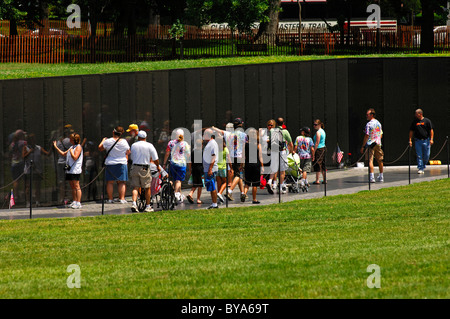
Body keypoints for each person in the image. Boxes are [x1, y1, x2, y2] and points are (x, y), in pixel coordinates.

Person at [212, 118, 247, 201]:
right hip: (239, 157)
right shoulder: (243, 135)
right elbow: (243, 149)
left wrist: (213, 128)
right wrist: (243, 160)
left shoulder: (228, 134)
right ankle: (229, 191)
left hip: (231, 157)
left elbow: (220, 131)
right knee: (238, 175)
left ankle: (242, 193)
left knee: (237, 175)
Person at [129, 130, 160, 213]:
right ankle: (148, 206)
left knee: (135, 187)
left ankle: (134, 203)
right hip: (144, 168)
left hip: (134, 167)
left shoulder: (133, 145)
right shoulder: (149, 145)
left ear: (138, 137)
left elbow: (131, 157)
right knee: (147, 187)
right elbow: (155, 159)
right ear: (145, 137)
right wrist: (157, 166)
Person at [98, 126, 131, 203]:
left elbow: (100, 148)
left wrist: (103, 140)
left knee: (110, 182)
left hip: (110, 163)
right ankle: (122, 198)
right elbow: (128, 152)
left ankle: (110, 198)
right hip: (122, 163)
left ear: (113, 132)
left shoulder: (108, 141)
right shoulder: (124, 141)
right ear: (121, 134)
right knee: (122, 182)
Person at [53, 133, 84, 209]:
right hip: (70, 170)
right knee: (72, 186)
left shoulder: (78, 147)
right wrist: (55, 147)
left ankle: (78, 202)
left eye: (70, 139)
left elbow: (75, 157)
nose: (69, 140)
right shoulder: (72, 147)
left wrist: (71, 152)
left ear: (74, 140)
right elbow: (63, 154)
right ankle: (74, 201)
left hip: (75, 170)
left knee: (76, 186)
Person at [23, 133, 50, 207]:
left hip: (37, 170)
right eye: (31, 139)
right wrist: (30, 151)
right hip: (28, 170)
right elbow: (23, 156)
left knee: (37, 186)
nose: (33, 141)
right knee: (28, 186)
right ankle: (28, 202)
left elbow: (47, 154)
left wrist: (52, 148)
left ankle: (37, 201)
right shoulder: (26, 148)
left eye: (34, 139)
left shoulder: (38, 148)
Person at [163, 129, 191, 203]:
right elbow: (188, 155)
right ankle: (176, 194)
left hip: (173, 164)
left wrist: (164, 163)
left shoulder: (171, 143)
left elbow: (167, 153)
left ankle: (178, 194)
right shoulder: (185, 144)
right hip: (182, 164)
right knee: (178, 181)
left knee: (173, 180)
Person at [267, 117, 293, 194]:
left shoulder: (272, 130)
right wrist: (291, 151)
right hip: (282, 151)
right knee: (282, 171)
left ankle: (269, 181)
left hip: (274, 151)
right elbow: (290, 143)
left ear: (276, 124)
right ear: (283, 123)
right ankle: (281, 187)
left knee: (273, 167)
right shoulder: (285, 132)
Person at [360, 108, 384, 183]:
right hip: (378, 143)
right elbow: (381, 134)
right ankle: (381, 176)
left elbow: (367, 135)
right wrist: (377, 140)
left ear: (372, 115)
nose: (366, 116)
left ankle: (372, 177)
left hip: (370, 144)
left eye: (368, 114)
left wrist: (363, 146)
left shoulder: (369, 124)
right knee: (380, 160)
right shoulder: (378, 123)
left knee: (370, 160)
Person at [409, 109, 434, 174]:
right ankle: (420, 168)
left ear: (420, 114)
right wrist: (410, 140)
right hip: (418, 141)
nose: (415, 115)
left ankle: (423, 165)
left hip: (426, 140)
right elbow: (411, 131)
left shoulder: (427, 121)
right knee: (419, 155)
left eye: (416, 114)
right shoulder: (414, 122)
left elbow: (431, 130)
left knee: (427, 155)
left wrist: (431, 139)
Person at [242, 129, 264, 204]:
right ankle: (254, 199)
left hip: (248, 164)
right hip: (256, 165)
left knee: (247, 182)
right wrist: (262, 166)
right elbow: (260, 156)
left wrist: (242, 165)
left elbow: (243, 156)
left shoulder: (245, 144)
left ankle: (244, 194)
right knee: (255, 183)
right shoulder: (258, 145)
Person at [203, 128, 219, 209]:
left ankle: (215, 204)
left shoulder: (212, 143)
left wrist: (210, 169)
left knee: (212, 186)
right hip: (208, 168)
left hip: (211, 169)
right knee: (211, 186)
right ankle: (213, 203)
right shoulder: (209, 143)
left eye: (204, 134)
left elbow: (213, 156)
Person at [186, 135, 204, 204]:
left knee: (195, 183)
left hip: (194, 169)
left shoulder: (193, 152)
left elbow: (190, 162)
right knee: (200, 185)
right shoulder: (202, 152)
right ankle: (198, 199)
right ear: (201, 145)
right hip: (200, 169)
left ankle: (191, 194)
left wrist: (190, 170)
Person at [217, 138, 232, 203]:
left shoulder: (216, 149)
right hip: (223, 168)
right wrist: (231, 168)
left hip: (217, 167)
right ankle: (220, 193)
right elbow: (229, 160)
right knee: (225, 182)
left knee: (219, 183)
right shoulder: (225, 149)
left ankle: (219, 196)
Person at [312, 119, 327, 185]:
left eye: (316, 125)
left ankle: (317, 180)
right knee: (323, 164)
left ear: (319, 125)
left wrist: (314, 151)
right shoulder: (323, 131)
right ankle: (324, 179)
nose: (314, 126)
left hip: (319, 149)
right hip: (323, 148)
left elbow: (317, 143)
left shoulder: (318, 132)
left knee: (318, 164)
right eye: (314, 124)